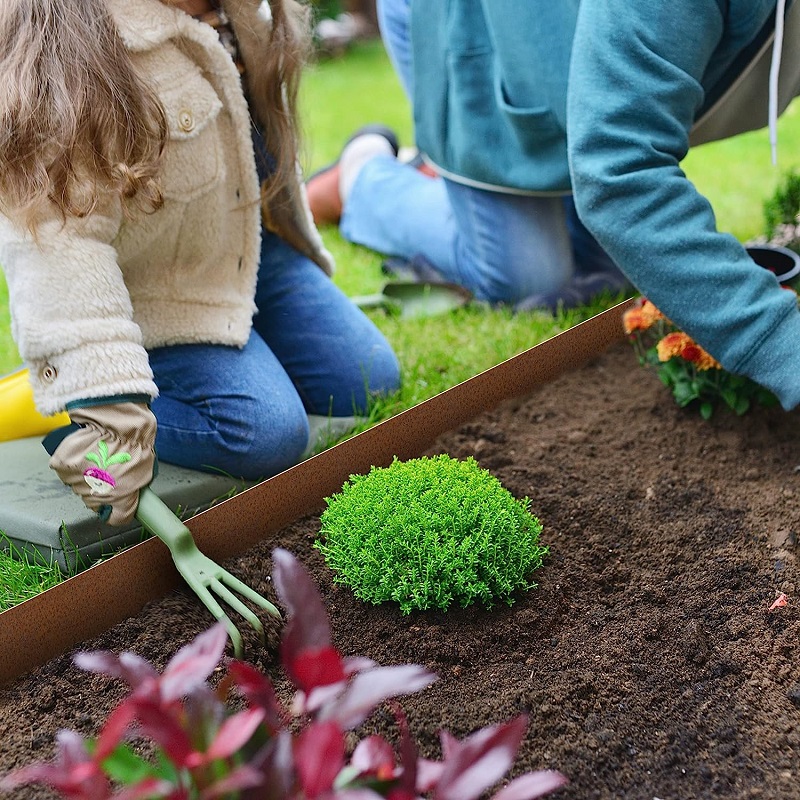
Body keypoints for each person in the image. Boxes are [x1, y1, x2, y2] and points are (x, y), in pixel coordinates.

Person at [0, 0, 400, 526]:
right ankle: (76, 397)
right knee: (265, 432)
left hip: (246, 254)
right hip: (158, 296)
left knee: (369, 378)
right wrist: (107, 410)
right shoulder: (78, 48)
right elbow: (58, 246)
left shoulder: (231, 10)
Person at [311, 0, 800, 410]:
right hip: (476, 28)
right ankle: (365, 177)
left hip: (569, 43)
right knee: (526, 276)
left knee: (606, 262)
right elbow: (618, 170)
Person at [306, 0, 633, 312]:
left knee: (620, 258)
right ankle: (364, 178)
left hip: (560, 40)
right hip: (469, 33)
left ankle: (432, 171)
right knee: (529, 279)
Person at [567, 0, 800, 410]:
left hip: (625, 60)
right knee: (537, 278)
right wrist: (784, 345)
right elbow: (617, 168)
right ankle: (411, 190)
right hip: (498, 67)